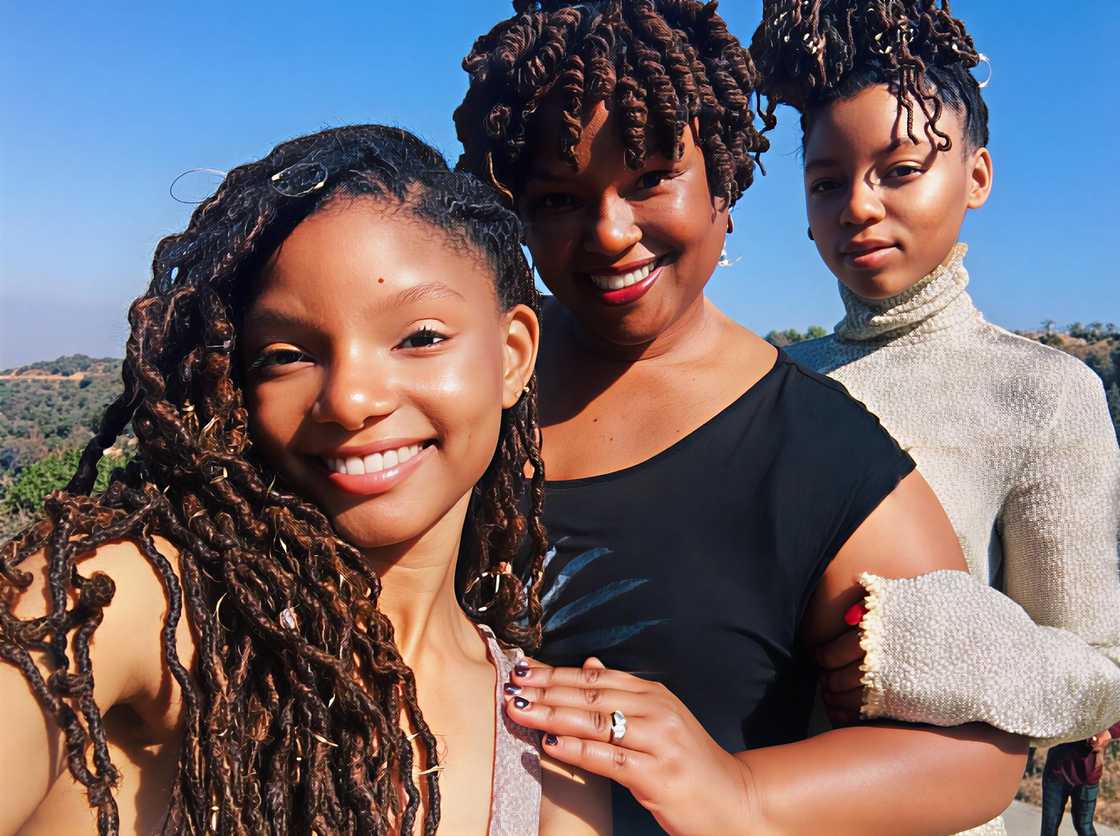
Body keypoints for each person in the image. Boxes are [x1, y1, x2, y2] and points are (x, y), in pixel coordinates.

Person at [455, 2, 1027, 833]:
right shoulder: (461, 379)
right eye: (558, 197)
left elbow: (979, 750)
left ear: (722, 178)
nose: (609, 231)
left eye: (651, 178)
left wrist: (742, 789)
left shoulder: (818, 452)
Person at [0, 125, 609, 835]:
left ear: (512, 355)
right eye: (287, 355)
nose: (349, 400)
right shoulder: (132, 604)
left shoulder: (552, 748)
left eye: (419, 338)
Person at [751, 0, 1120, 748]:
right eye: (827, 183)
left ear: (976, 176)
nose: (858, 206)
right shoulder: (771, 381)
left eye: (900, 171)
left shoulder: (1043, 394)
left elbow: (1100, 672)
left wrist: (933, 651)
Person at [1042, 722, 1120, 836]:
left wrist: (1109, 732)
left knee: (1084, 826)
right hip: (1056, 769)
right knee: (1049, 827)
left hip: (1088, 772)